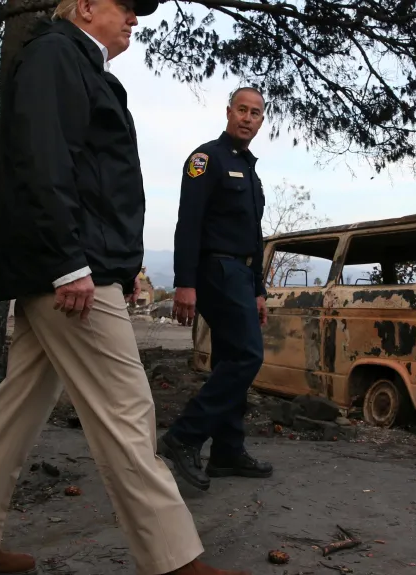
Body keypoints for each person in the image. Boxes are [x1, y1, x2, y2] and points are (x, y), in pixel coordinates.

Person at [0, 1, 248, 574]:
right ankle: (174, 562)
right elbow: (42, 160)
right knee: (127, 407)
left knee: (18, 407)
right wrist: (70, 261)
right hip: (72, 270)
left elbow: (95, 177)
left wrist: (110, 266)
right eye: (125, 6)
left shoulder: (85, 69)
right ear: (88, 5)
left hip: (78, 264)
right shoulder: (54, 56)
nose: (135, 19)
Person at [162, 87, 272, 492]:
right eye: (241, 110)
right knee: (247, 355)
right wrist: (184, 282)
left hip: (242, 275)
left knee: (231, 355)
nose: (247, 118)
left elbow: (254, 236)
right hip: (215, 269)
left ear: (262, 121)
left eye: (255, 113)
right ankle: (184, 436)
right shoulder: (205, 159)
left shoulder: (250, 169)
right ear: (228, 112)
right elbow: (187, 223)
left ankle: (227, 451)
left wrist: (259, 289)